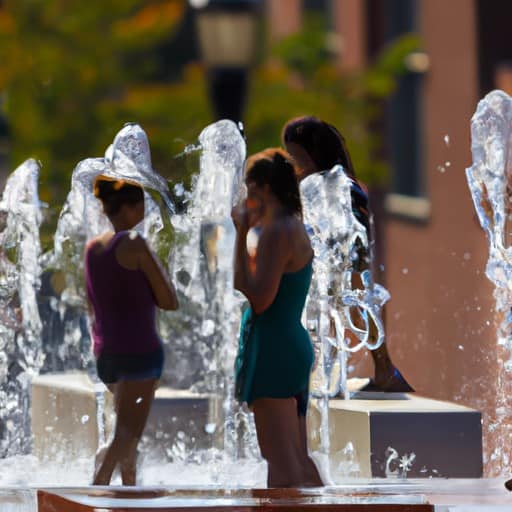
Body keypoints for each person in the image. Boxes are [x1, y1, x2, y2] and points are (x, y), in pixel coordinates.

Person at [281, 115, 413, 393]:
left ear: (314, 153)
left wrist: (352, 263)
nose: (293, 164)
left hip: (344, 261)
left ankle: (384, 369)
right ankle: (333, 375)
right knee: (327, 312)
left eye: (296, 156)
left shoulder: (341, 185)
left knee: (352, 309)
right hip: (323, 261)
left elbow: (358, 229)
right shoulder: (311, 184)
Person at [232, 148, 323, 488]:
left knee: (282, 466)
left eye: (248, 187)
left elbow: (258, 298)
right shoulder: (289, 227)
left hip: (274, 351)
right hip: (287, 346)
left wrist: (240, 233)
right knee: (299, 461)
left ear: (264, 189)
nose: (245, 196)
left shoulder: (277, 232)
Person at [85, 175, 178, 485]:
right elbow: (169, 300)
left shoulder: (93, 249)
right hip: (139, 354)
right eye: (140, 205)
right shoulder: (134, 244)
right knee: (126, 436)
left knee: (128, 441)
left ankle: (127, 495)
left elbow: (92, 304)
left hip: (107, 356)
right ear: (126, 208)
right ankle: (95, 493)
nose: (144, 211)